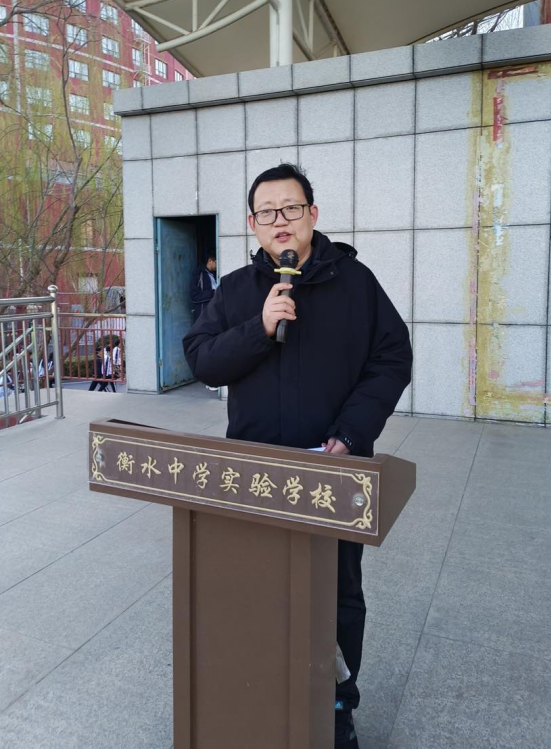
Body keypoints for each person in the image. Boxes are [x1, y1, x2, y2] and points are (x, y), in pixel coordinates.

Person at [183, 163, 412, 749]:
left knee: (337, 596)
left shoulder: (355, 282)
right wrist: (258, 329)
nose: (279, 221)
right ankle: (261, 690)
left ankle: (337, 704)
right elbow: (202, 359)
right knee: (256, 586)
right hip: (254, 475)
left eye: (290, 208)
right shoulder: (238, 290)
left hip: (331, 471)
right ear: (252, 224)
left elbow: (392, 358)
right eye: (267, 212)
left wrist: (351, 434)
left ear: (313, 214)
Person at [189, 251, 219, 391]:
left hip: (214, 314)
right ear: (210, 261)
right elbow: (194, 297)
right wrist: (212, 293)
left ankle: (212, 378)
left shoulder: (212, 275)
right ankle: (209, 379)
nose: (217, 265)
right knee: (205, 346)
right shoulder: (199, 275)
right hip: (203, 315)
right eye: (216, 262)